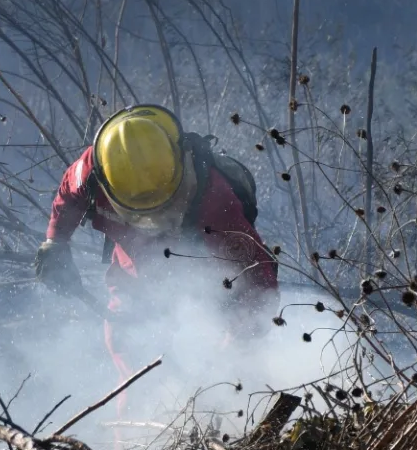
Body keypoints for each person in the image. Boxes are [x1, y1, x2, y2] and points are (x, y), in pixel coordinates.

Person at [34, 104, 278, 385]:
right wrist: (56, 242)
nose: (152, 221)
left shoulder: (214, 199)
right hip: (132, 273)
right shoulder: (92, 171)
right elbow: (68, 195)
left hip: (208, 279)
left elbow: (259, 276)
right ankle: (140, 421)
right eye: (142, 212)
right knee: (130, 352)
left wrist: (238, 343)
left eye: (161, 209)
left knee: (238, 371)